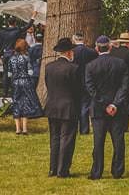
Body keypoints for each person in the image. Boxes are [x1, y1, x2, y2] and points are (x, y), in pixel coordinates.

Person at [86, 35, 129, 180]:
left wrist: (105, 104)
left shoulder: (91, 66)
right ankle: (117, 171)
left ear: (96, 48)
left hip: (99, 109)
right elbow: (125, 86)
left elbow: (91, 89)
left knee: (98, 142)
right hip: (116, 108)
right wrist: (114, 104)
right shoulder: (120, 64)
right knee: (118, 141)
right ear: (110, 47)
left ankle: (97, 171)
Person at [45, 37, 81, 179]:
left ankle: (53, 168)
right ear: (68, 52)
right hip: (68, 106)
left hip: (52, 105)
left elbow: (48, 85)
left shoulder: (49, 67)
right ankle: (63, 170)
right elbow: (78, 90)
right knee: (67, 139)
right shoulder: (73, 68)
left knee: (54, 138)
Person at [8, 38, 44, 134]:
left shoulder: (11, 59)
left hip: (15, 82)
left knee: (16, 103)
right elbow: (30, 72)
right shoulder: (26, 58)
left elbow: (9, 74)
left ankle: (17, 129)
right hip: (26, 81)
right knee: (26, 103)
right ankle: (24, 129)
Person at [109, 32, 129, 125]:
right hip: (128, 81)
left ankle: (113, 122)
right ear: (128, 43)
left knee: (114, 101)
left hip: (113, 81)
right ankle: (124, 124)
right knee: (126, 104)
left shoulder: (112, 52)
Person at [72, 33, 98, 135]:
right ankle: (84, 128)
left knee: (75, 105)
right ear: (83, 39)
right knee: (85, 105)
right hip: (88, 80)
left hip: (75, 81)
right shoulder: (91, 52)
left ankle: (75, 128)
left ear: (74, 40)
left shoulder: (72, 52)